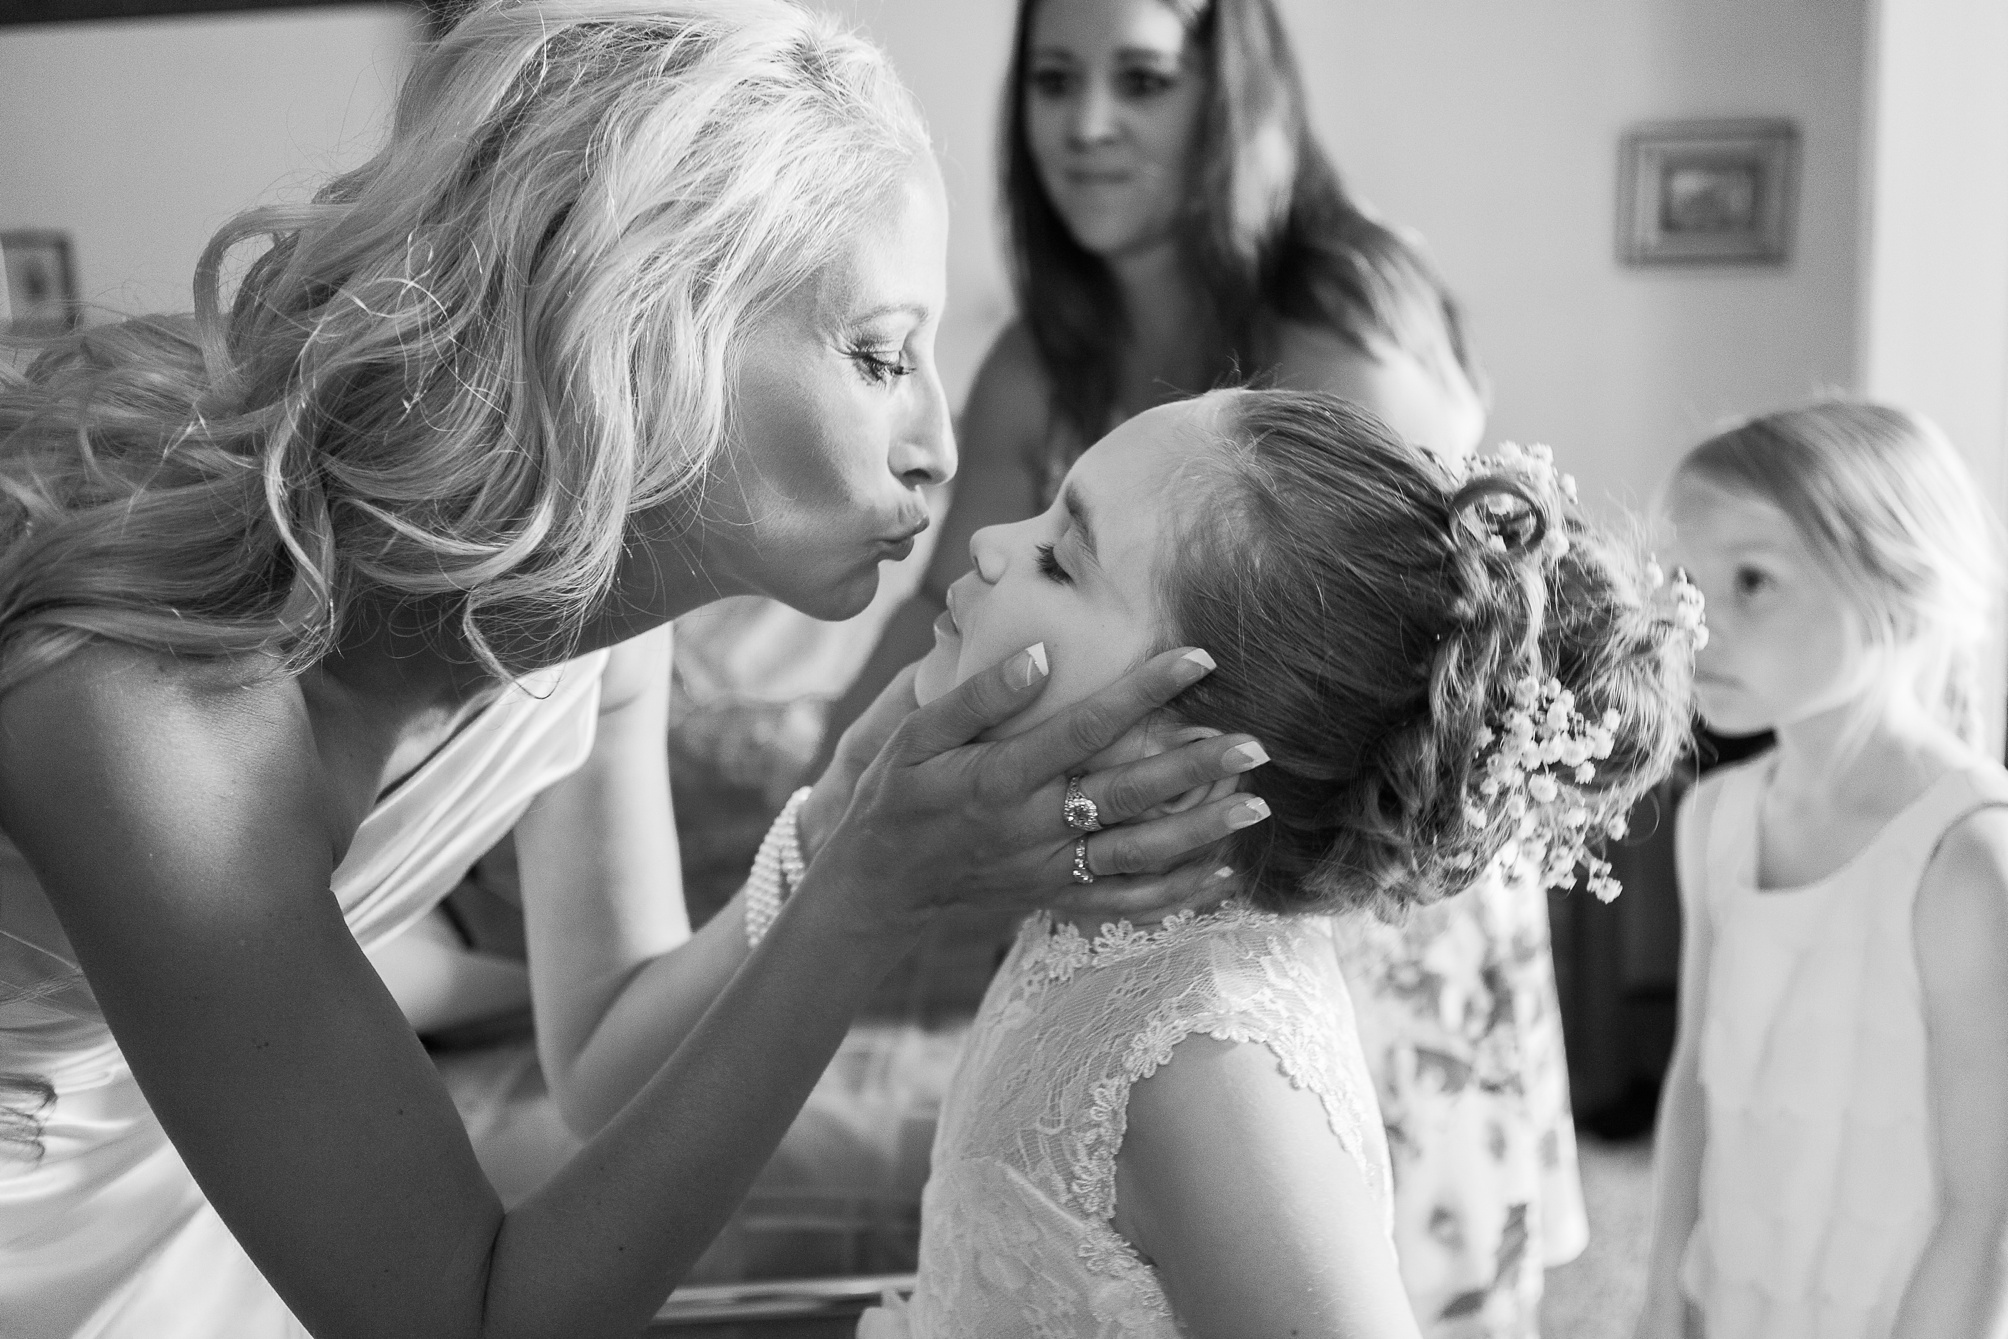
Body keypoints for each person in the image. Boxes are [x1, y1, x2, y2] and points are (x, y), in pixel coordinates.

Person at [0, 4, 1270, 1336]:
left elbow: (607, 1052)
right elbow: (465, 1313)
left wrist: (832, 825)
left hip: (196, 1222)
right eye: (882, 356)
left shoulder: (587, 622)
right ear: (642, 334)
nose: (941, 449)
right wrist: (871, 889)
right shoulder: (146, 702)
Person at [825, 0, 1587, 1328]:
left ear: (1230, 89)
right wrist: (836, 785)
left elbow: (1377, 655)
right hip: (1182, 850)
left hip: (1350, 860)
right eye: (1055, 82)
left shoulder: (1342, 321)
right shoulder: (1038, 357)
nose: (1087, 125)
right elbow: (933, 610)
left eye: (1142, 79)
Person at [853, 389, 1697, 1338]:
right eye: (1048, 504)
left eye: (1059, 558)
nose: (991, 540)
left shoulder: (1215, 1077)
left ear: (1193, 760)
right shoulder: (1095, 909)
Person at [1636, 401, 2008, 1339]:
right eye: (1682, 581)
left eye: (1751, 581)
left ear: (1897, 585)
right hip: (1748, 1289)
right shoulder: (1717, 817)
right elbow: (1696, 1080)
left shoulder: (1965, 857)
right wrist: (1659, 1297)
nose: (1693, 620)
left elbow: (1987, 1202)